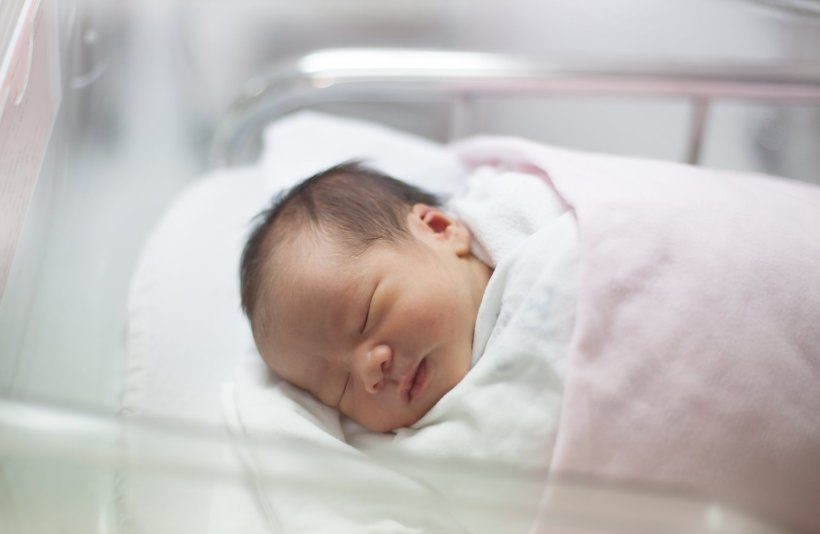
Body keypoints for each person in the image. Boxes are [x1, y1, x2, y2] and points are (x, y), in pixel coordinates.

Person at [240, 161, 493, 433]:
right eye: (342, 388)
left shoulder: (533, 244)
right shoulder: (422, 447)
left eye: (366, 318)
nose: (370, 372)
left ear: (437, 229)